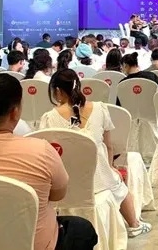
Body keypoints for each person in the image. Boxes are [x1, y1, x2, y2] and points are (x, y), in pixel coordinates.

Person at [0, 74, 98, 249]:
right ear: (15, 112)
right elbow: (58, 195)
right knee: (82, 229)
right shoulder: (42, 152)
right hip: (33, 245)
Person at [40, 69, 151, 238]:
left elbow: (48, 153)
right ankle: (134, 225)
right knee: (120, 187)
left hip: (67, 181)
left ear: (57, 91)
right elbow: (109, 145)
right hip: (100, 178)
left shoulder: (49, 118)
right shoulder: (99, 108)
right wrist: (111, 166)